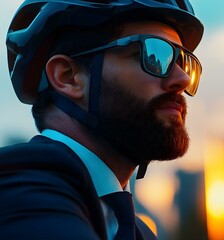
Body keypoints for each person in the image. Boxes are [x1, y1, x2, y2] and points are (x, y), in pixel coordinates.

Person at [0, 0, 204, 239]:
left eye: (183, 61)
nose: (183, 79)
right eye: (154, 54)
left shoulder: (138, 231)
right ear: (69, 77)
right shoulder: (21, 192)